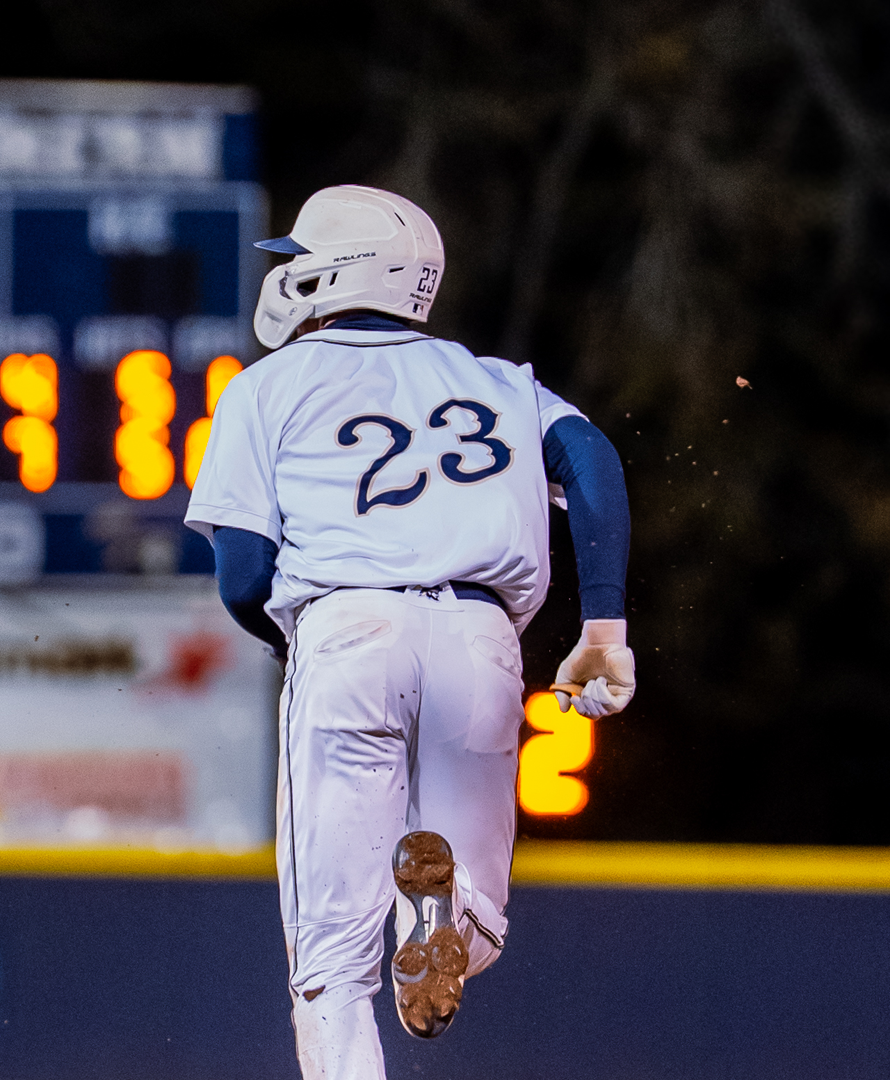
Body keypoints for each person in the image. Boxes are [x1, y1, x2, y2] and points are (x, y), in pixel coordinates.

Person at [184, 184, 635, 1080]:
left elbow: (241, 575)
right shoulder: (501, 383)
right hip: (480, 636)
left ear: (337, 271)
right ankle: (441, 914)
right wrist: (604, 625)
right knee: (480, 929)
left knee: (331, 968)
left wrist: (299, 644)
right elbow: (593, 462)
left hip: (347, 627)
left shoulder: (265, 386)